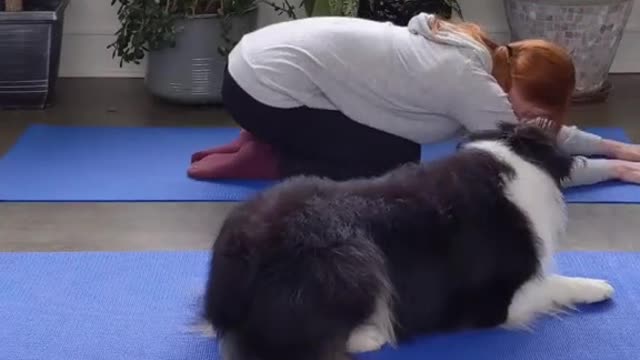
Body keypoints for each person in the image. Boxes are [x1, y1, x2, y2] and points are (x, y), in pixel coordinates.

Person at [188, 13, 640, 186]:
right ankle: (268, 159)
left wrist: (617, 148)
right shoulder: (476, 90)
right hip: (265, 94)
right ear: (522, 90)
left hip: (249, 71)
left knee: (391, 145)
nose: (529, 121)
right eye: (533, 112)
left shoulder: (477, 49)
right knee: (395, 161)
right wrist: (618, 172)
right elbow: (533, 163)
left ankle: (259, 139)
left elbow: (544, 133)